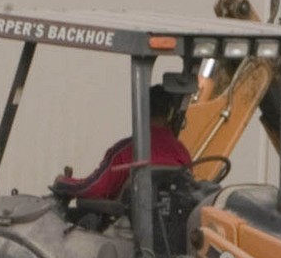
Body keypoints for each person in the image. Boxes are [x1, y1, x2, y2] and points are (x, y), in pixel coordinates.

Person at [55, 82, 191, 203]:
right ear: (170, 114)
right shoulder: (182, 154)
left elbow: (95, 188)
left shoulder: (126, 151)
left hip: (123, 227)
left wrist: (64, 183)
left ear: (140, 111)